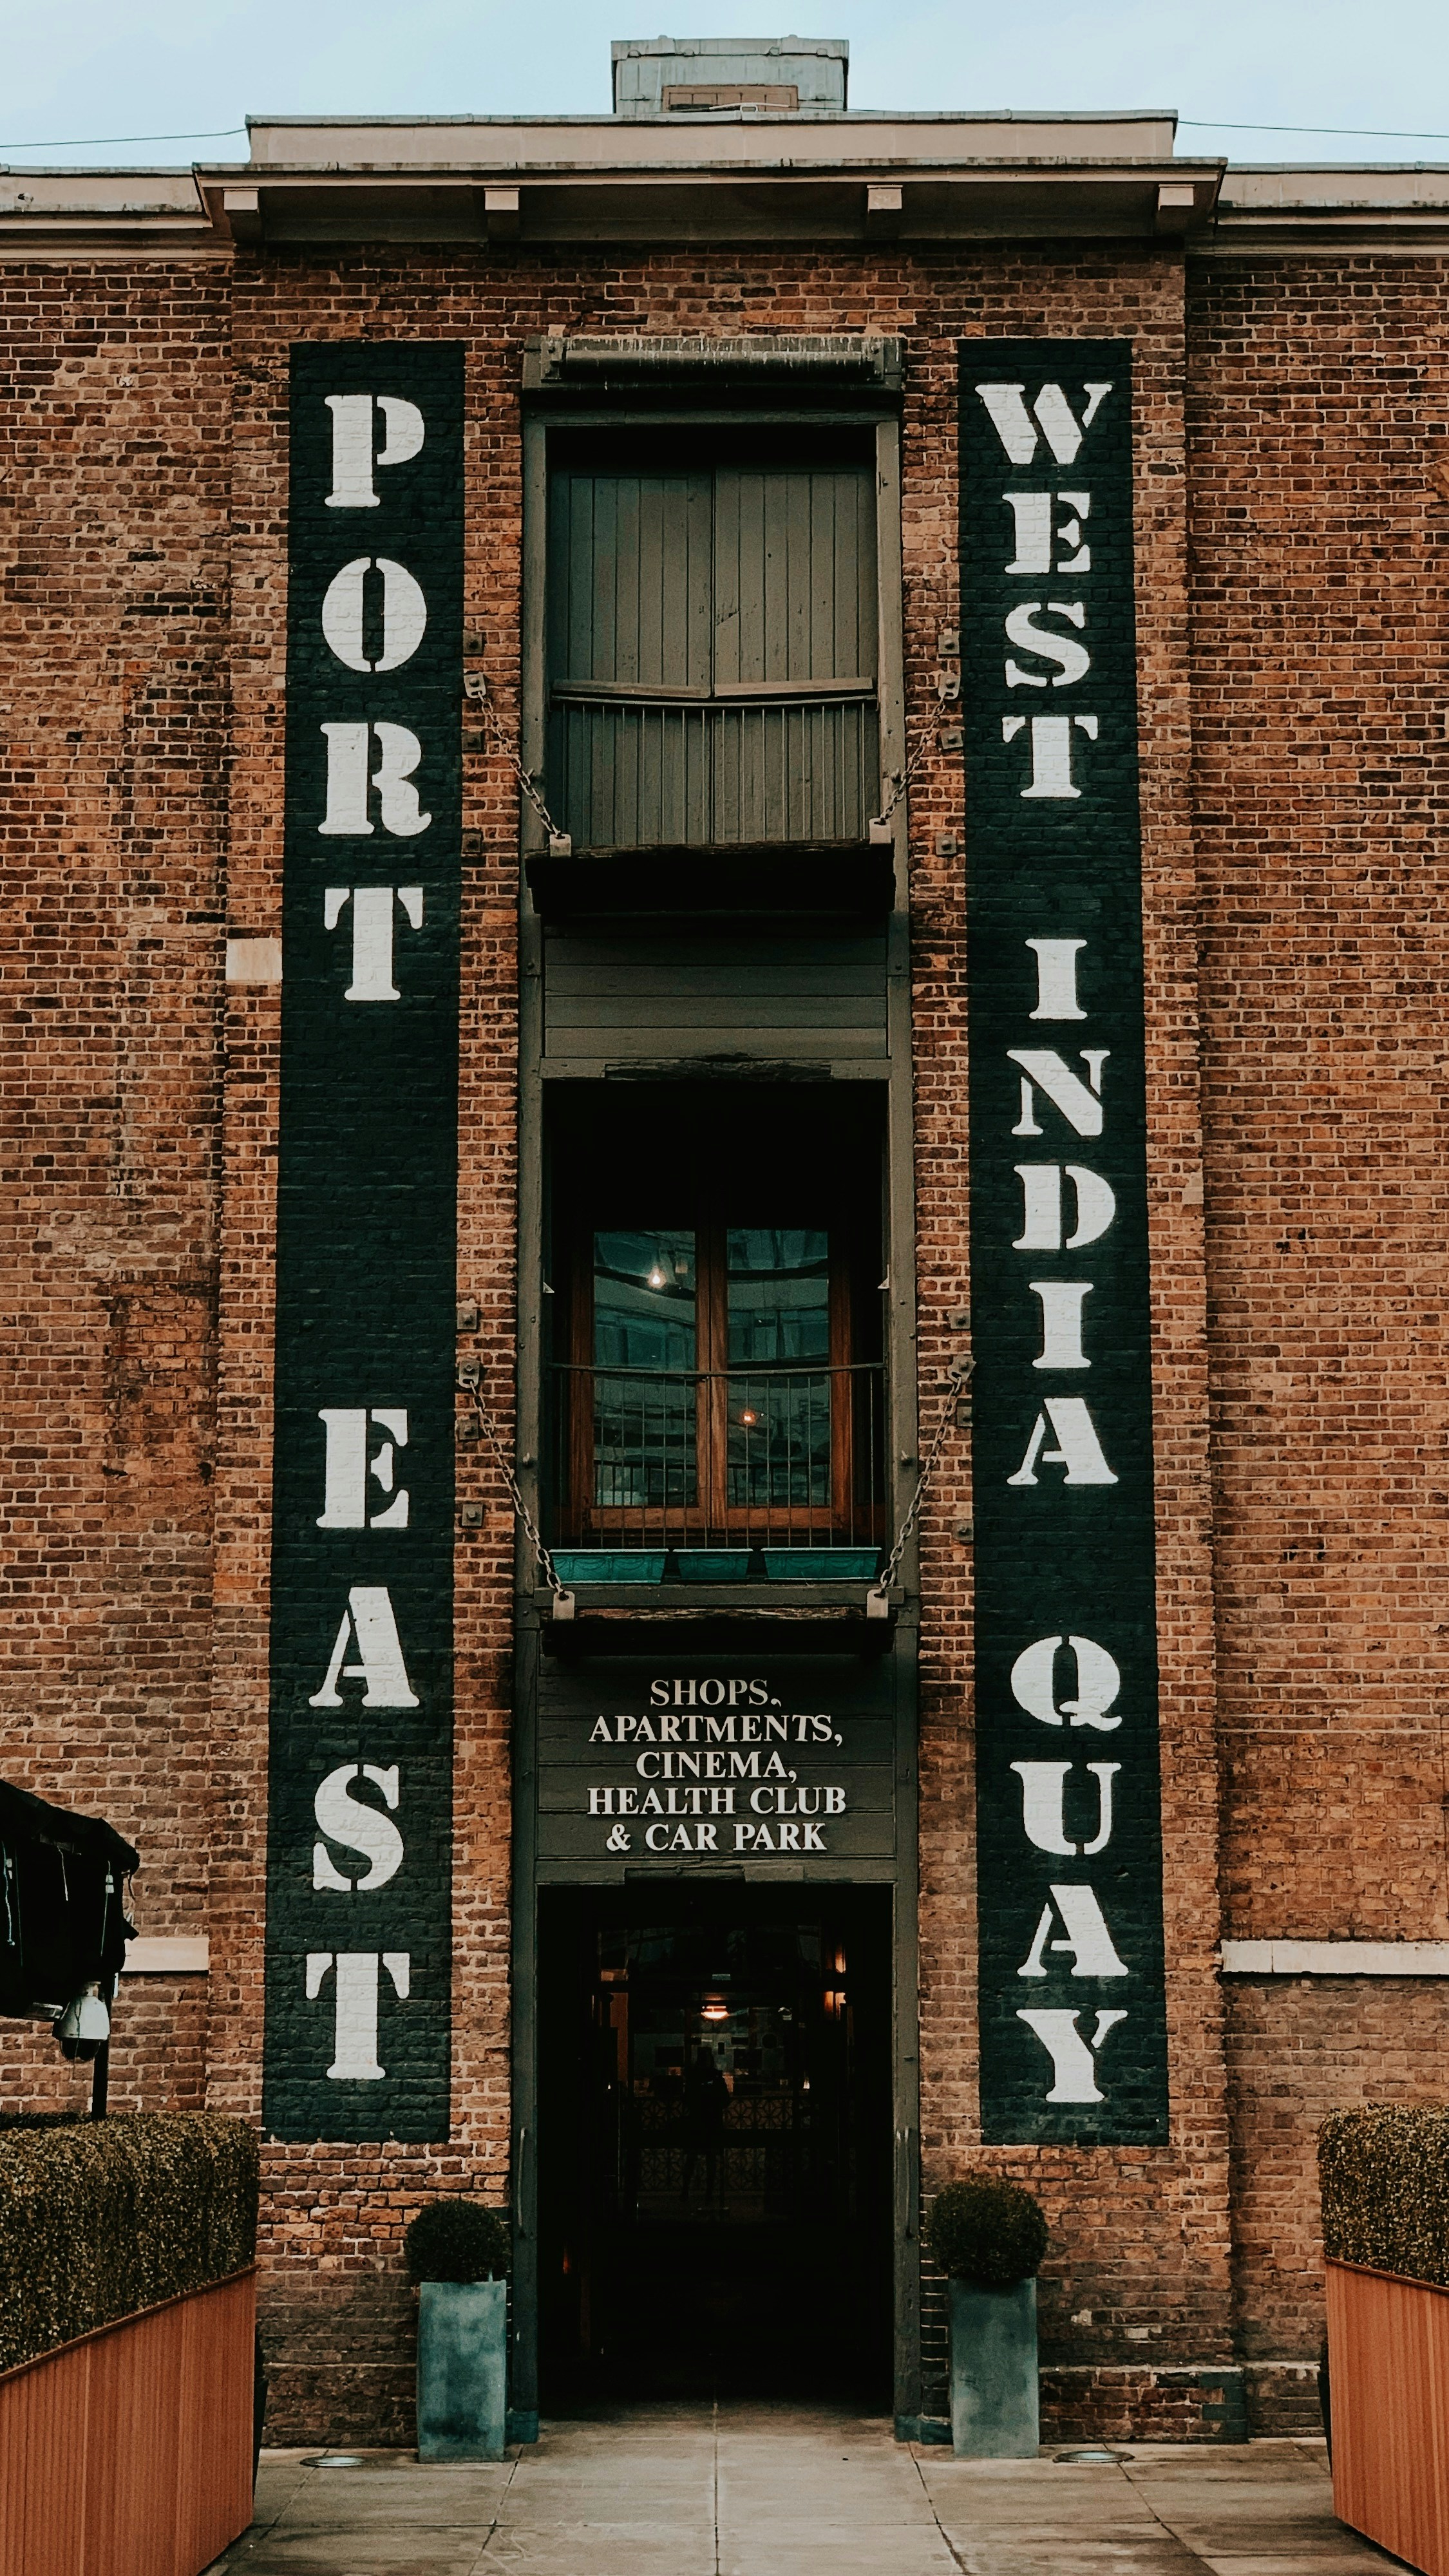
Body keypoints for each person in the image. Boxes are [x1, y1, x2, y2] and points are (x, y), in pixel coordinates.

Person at [681, 2045, 730, 2206]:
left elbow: (687, 2099)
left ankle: (686, 2190)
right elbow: (725, 2100)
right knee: (710, 2158)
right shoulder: (715, 2078)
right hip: (711, 2122)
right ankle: (707, 2191)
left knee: (693, 2157)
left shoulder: (693, 2078)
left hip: (698, 2121)